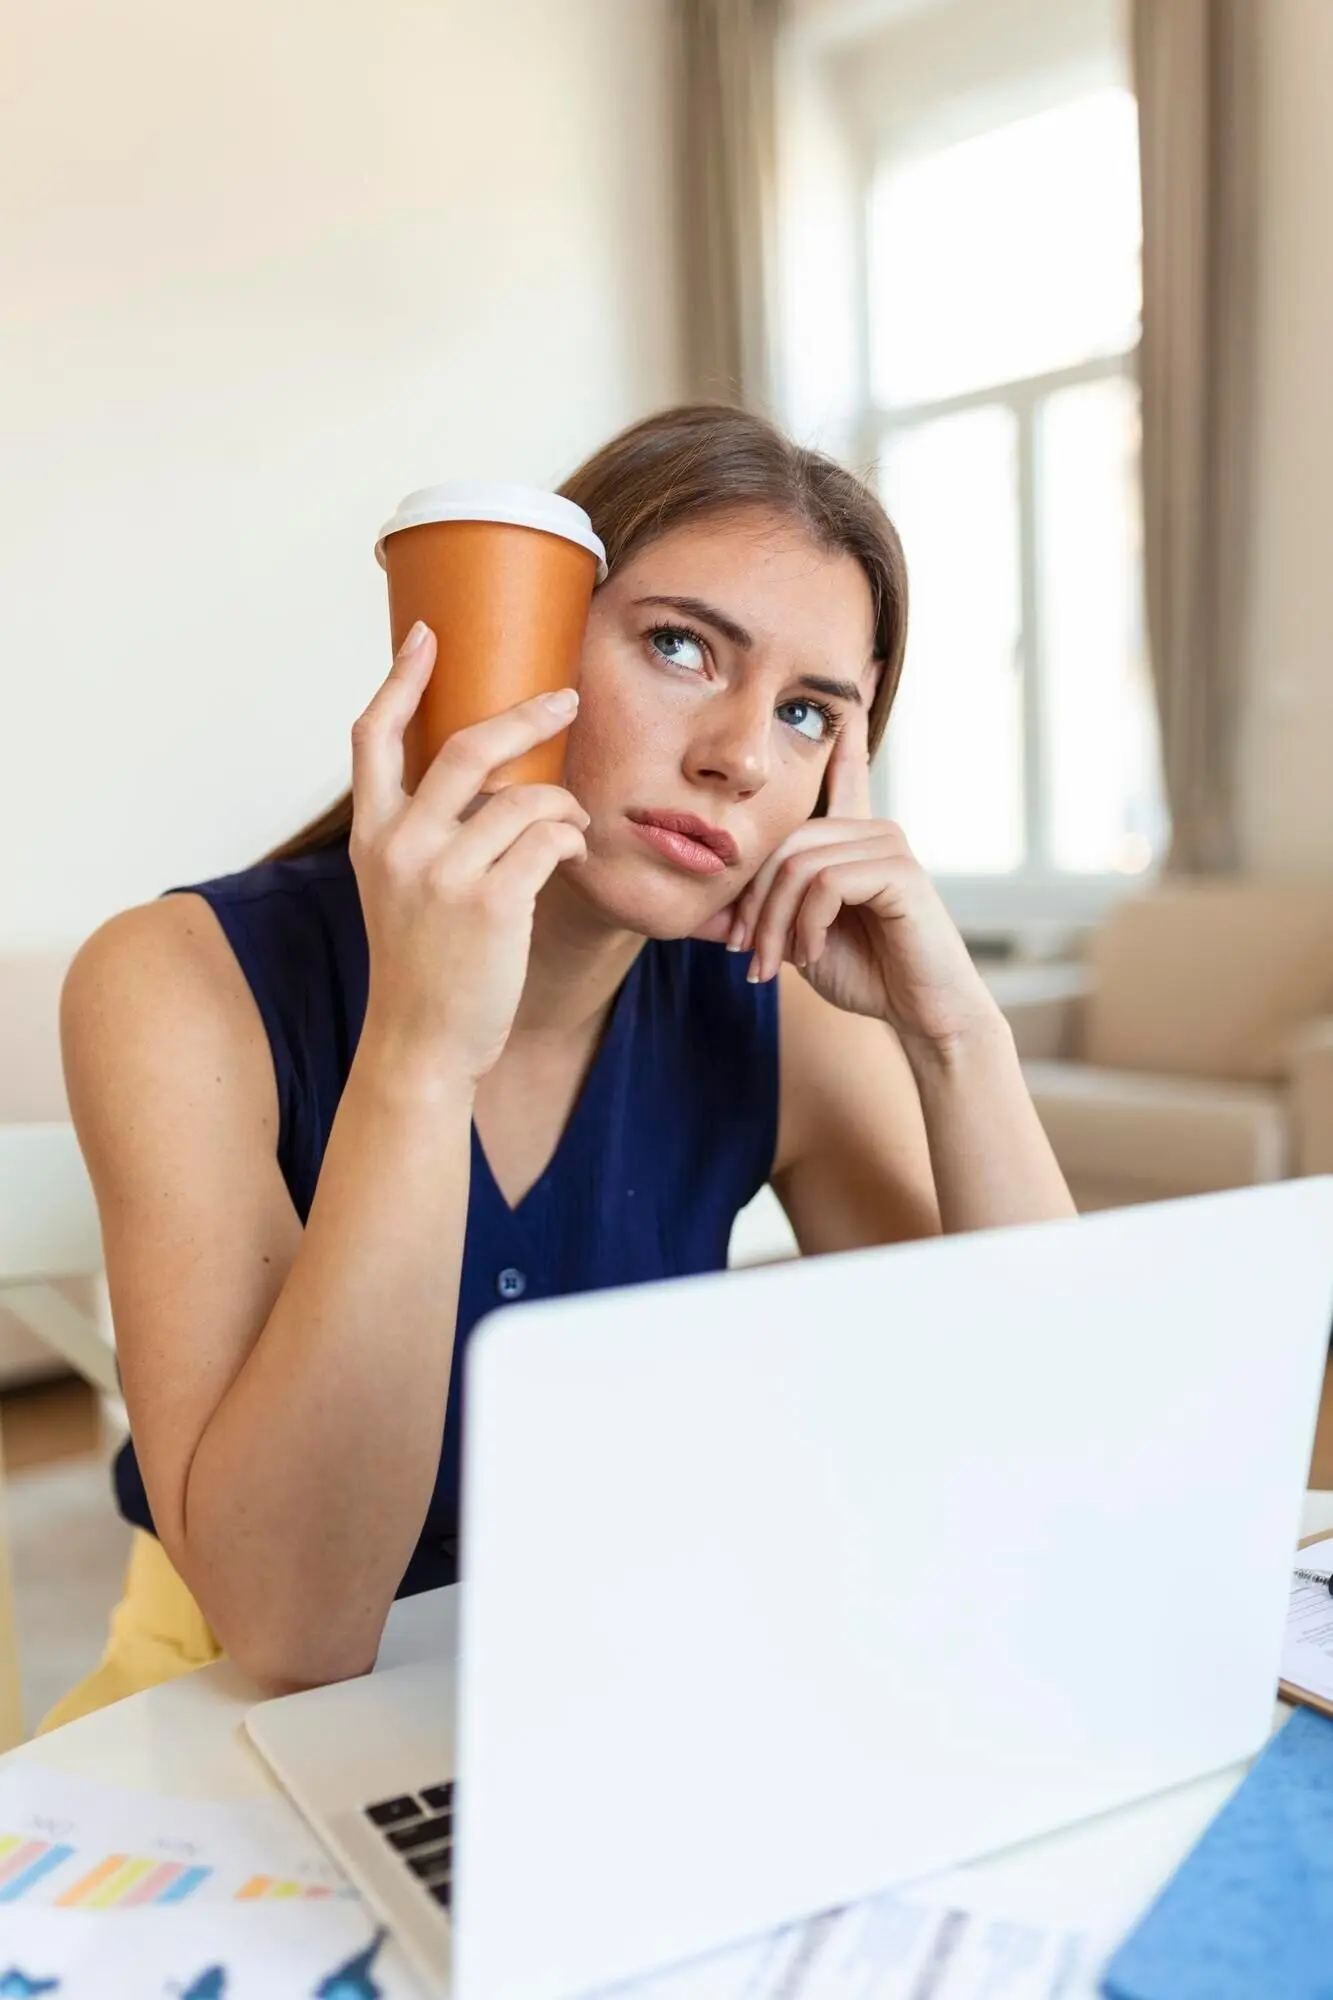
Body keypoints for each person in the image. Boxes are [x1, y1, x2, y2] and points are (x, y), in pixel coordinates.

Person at [44, 404, 1073, 1728]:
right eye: (680, 646)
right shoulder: (172, 981)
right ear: (517, 638)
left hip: (592, 1680)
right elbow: (294, 1633)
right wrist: (422, 1048)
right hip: (213, 1723)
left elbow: (1045, 1449)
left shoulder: (774, 1007)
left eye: (811, 712)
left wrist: (956, 1038)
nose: (742, 757)